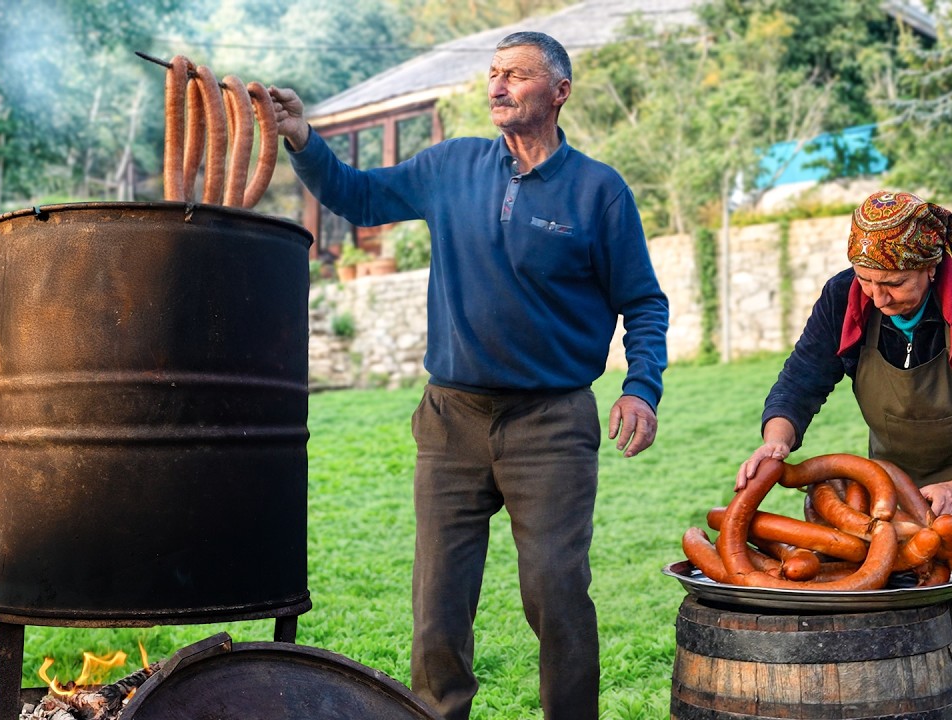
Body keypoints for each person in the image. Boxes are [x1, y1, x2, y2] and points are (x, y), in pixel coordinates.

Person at [270, 31, 669, 720]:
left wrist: (641, 387)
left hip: (551, 424)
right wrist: (304, 137)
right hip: (452, 420)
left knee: (556, 591)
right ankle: (437, 714)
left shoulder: (599, 191)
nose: (497, 85)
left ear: (559, 91)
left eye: (515, 75)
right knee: (438, 604)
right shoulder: (451, 166)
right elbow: (360, 199)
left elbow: (644, 302)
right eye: (493, 74)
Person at [736, 190, 952, 720]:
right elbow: (802, 378)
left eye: (893, 283)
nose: (877, 297)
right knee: (903, 619)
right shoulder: (845, 297)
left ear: (931, 267)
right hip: (895, 491)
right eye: (866, 280)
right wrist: (778, 438)